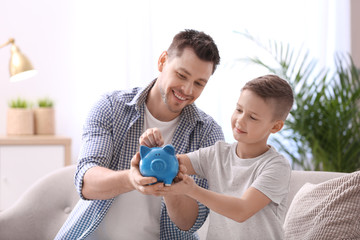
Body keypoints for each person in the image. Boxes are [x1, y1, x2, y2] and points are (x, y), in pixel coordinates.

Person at [55, 29, 224, 240]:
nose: (187, 90)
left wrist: (172, 186)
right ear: (163, 61)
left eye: (199, 83)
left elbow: (189, 223)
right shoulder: (110, 107)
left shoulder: (207, 133)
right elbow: (86, 181)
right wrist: (131, 179)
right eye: (182, 75)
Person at [139, 74, 294, 239]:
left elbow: (241, 210)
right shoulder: (217, 154)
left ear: (276, 126)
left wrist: (192, 189)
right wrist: (154, 150)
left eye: (253, 117)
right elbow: (173, 162)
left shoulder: (276, 167)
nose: (240, 120)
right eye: (239, 110)